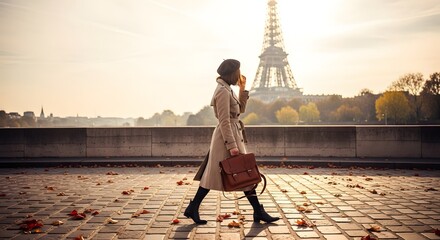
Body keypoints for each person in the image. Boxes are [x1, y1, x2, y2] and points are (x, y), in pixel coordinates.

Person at [184, 59, 280, 224]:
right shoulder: (222, 91)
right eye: (238, 72)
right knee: (235, 174)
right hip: (226, 138)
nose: (239, 75)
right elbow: (224, 121)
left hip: (232, 134)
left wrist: (243, 89)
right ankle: (258, 211)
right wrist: (232, 146)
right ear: (232, 73)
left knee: (230, 174)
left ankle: (257, 211)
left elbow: (239, 111)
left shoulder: (227, 89)